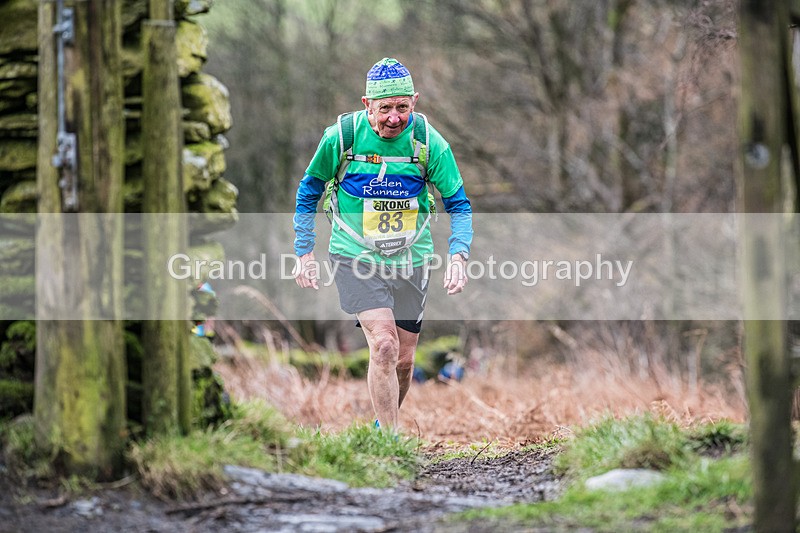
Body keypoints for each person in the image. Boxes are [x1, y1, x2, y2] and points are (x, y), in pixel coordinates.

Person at [293, 57, 473, 431]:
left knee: (405, 360)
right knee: (385, 345)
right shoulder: (341, 137)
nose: (395, 118)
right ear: (366, 105)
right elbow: (308, 190)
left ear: (415, 102)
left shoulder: (428, 142)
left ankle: (381, 425)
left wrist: (459, 254)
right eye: (385, 109)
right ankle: (390, 442)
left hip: (413, 256)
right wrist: (304, 251)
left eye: (403, 108)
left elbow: (458, 203)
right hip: (355, 253)